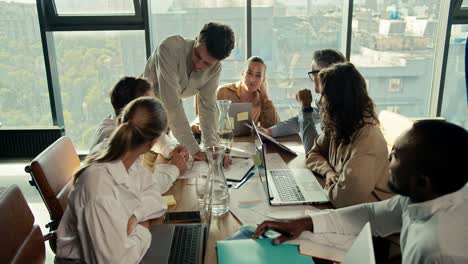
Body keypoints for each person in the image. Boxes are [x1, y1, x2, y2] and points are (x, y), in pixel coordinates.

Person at [253, 120, 468, 264]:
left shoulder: (439, 251)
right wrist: (305, 222)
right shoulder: (426, 194)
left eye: (395, 156)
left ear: (422, 182)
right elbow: (371, 216)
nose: (387, 161)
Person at [56, 97, 173, 263]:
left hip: (121, 250)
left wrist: (135, 215)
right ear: (152, 143)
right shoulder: (98, 187)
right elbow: (115, 261)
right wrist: (143, 227)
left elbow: (157, 199)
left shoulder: (130, 164)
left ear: (119, 121)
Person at [142, 22, 235, 165]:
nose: (199, 65)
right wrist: (195, 149)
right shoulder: (169, 48)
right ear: (197, 38)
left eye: (207, 64)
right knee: (145, 175)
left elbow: (208, 107)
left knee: (170, 175)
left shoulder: (215, 69)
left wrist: (212, 148)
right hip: (141, 120)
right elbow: (172, 104)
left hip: (167, 123)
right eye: (198, 56)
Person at [307, 62, 392, 207]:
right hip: (346, 207)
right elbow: (313, 154)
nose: (321, 101)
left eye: (324, 96)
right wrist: (329, 173)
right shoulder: (338, 125)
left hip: (368, 217)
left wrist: (328, 188)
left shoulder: (368, 139)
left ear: (338, 102)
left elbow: (343, 200)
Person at [88, 77, 188, 192]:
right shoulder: (111, 139)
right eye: (149, 105)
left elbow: (158, 138)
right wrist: (174, 169)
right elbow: (142, 188)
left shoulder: (124, 126)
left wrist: (171, 151)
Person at [257, 49, 346, 154]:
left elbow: (312, 152)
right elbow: (300, 120)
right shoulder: (327, 101)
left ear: (325, 73)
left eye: (313, 73)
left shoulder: (340, 110)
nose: (312, 78)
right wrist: (269, 131)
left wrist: (306, 107)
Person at [191, 56, 280, 135]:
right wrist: (196, 124)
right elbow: (205, 115)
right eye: (249, 73)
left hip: (249, 144)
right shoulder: (223, 91)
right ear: (242, 73)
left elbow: (273, 127)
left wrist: (265, 96)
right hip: (222, 141)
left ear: (263, 79)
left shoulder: (262, 99)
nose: (252, 79)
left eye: (258, 76)